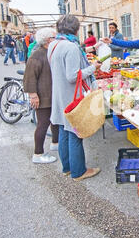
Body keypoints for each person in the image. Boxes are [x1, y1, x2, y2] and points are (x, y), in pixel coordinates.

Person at [47, 14, 102, 181]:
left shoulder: (54, 44)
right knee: (75, 133)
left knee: (64, 131)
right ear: (75, 29)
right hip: (71, 96)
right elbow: (72, 76)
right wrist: (93, 68)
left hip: (59, 94)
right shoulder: (71, 47)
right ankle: (79, 171)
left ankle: (67, 168)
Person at [23, 28, 59, 164]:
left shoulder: (49, 52)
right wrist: (33, 96)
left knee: (55, 121)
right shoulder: (37, 55)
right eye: (54, 37)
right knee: (43, 124)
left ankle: (55, 143)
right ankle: (38, 154)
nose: (56, 39)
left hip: (51, 94)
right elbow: (29, 78)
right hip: (42, 96)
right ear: (49, 40)